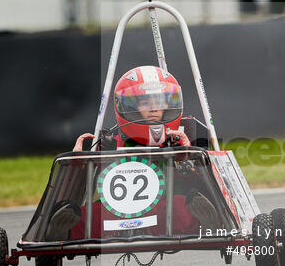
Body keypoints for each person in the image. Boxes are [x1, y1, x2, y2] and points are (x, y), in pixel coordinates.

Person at [47, 66, 218, 240]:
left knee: (183, 205)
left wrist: (185, 157)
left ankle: (206, 222)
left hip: (161, 208)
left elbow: (194, 177)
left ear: (169, 104)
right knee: (90, 214)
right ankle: (63, 231)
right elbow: (94, 175)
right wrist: (86, 160)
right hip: (117, 209)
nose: (153, 109)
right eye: (145, 103)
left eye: (159, 102)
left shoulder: (179, 139)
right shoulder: (110, 141)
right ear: (129, 105)